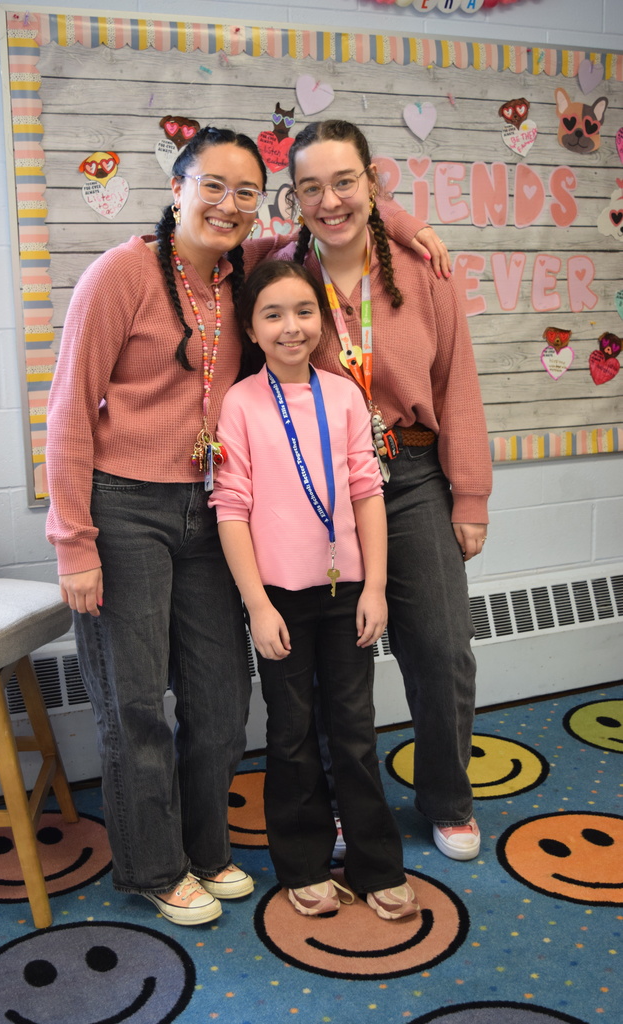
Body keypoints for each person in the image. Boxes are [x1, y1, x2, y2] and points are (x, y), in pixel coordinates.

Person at [45, 125, 441, 926]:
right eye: (212, 187)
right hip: (126, 507)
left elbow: (335, 221)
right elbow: (64, 415)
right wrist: (73, 541)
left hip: (212, 509)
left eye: (246, 193)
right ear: (176, 190)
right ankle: (154, 867)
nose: (228, 205)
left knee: (220, 702)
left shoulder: (242, 270)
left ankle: (206, 849)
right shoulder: (119, 275)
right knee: (136, 703)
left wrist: (399, 224)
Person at [276, 120, 493, 862]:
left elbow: (456, 383)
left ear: (372, 180)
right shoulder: (278, 268)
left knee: (440, 650)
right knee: (338, 667)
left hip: (409, 478)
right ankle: (349, 806)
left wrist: (470, 495)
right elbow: (207, 246)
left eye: (345, 182)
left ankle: (447, 797)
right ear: (293, 197)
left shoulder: (420, 268)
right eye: (311, 187)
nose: (329, 200)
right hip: (319, 491)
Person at [210, 260, 419, 920]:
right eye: (271, 314)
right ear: (250, 328)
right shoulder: (240, 403)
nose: (290, 326)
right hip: (278, 599)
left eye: (303, 311)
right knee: (292, 733)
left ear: (323, 320)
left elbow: (366, 491)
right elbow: (231, 507)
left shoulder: (345, 394)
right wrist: (256, 605)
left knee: (354, 731)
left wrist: (376, 587)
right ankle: (301, 863)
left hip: (348, 590)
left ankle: (374, 863)